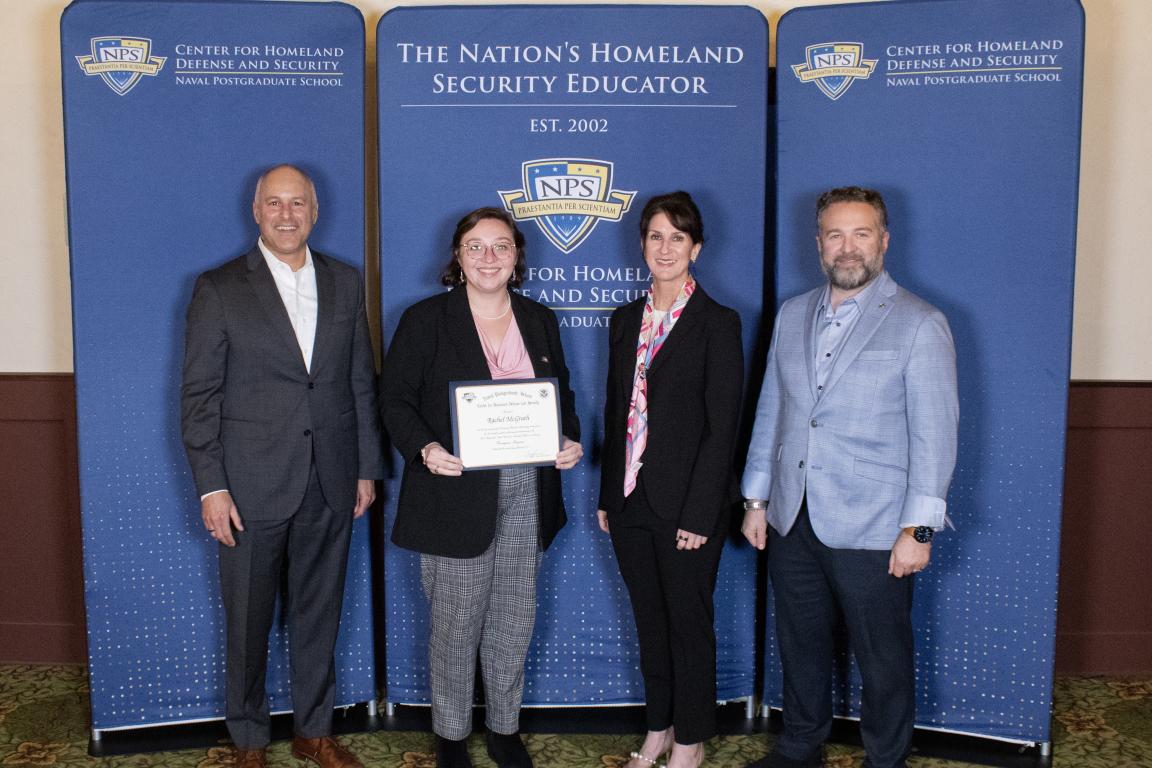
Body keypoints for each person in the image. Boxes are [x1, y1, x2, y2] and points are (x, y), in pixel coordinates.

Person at [740, 186, 959, 768]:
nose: (848, 247)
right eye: (835, 234)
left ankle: (885, 760)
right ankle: (799, 748)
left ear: (884, 241)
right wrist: (756, 498)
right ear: (818, 244)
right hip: (792, 515)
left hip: (876, 523)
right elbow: (773, 409)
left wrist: (920, 529)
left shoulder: (921, 323)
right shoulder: (792, 313)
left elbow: (935, 436)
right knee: (800, 644)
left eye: (861, 234)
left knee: (882, 657)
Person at [181, 164, 383, 768]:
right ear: (257, 211)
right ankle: (248, 738)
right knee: (247, 620)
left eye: (298, 203)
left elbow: (359, 385)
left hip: (332, 479)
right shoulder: (218, 288)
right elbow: (198, 398)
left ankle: (312, 730)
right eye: (276, 203)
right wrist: (211, 487)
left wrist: (366, 467)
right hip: (248, 486)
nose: (287, 214)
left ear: (315, 212)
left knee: (320, 611)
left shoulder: (346, 283)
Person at [380, 207, 583, 768]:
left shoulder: (540, 319)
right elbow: (393, 400)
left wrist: (569, 439)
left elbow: (561, 395)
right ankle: (449, 735)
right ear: (458, 258)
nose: (488, 257)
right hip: (453, 490)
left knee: (514, 618)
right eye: (476, 247)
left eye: (500, 246)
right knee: (454, 624)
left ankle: (503, 728)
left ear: (517, 256)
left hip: (528, 491)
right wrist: (425, 450)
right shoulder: (425, 320)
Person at [596, 191, 744, 768]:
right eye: (655, 236)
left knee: (688, 625)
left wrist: (700, 515)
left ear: (696, 248)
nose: (665, 247)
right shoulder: (624, 318)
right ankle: (658, 728)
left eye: (676, 238)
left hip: (686, 508)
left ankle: (691, 740)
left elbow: (721, 427)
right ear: (641, 244)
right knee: (649, 626)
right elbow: (617, 411)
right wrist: (610, 493)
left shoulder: (718, 323)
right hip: (630, 499)